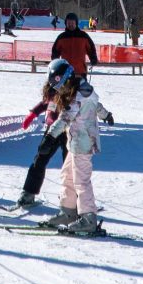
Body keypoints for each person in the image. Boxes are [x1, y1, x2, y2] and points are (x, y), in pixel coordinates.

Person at [38, 58, 106, 236]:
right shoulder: (82, 90)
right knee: (67, 175)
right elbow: (96, 105)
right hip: (75, 143)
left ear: (65, 80)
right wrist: (106, 115)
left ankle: (88, 218)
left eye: (58, 86)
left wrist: (50, 137)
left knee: (81, 180)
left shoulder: (77, 97)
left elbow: (65, 118)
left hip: (83, 144)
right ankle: (68, 211)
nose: (58, 90)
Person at [14, 67, 71, 210]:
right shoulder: (52, 90)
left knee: (69, 166)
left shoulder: (72, 92)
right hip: (51, 132)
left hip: (68, 132)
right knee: (39, 160)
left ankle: (72, 200)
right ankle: (28, 194)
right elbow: (45, 103)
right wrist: (32, 114)